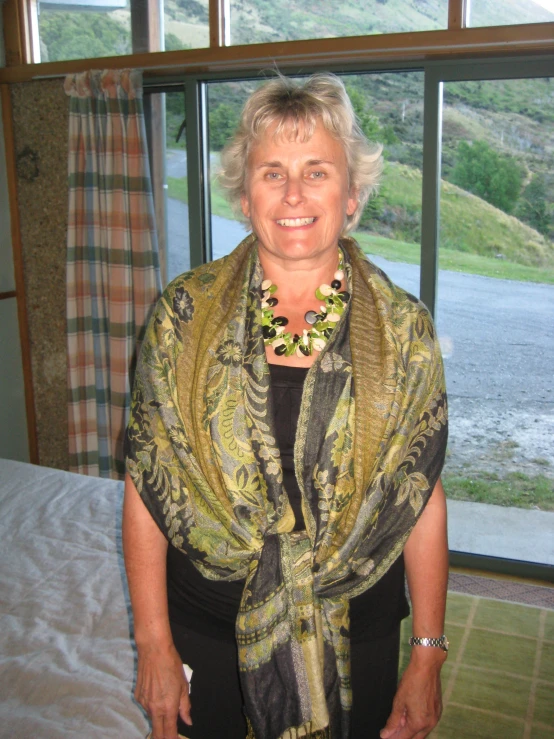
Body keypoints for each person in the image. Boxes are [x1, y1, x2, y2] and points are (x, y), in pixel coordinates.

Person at [123, 72, 449, 739]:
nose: (294, 194)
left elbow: (421, 497)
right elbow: (147, 484)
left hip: (357, 624)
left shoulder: (403, 331)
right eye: (273, 172)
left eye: (317, 171)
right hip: (205, 624)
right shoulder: (181, 317)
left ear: (351, 194)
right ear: (245, 194)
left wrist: (428, 652)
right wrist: (152, 641)